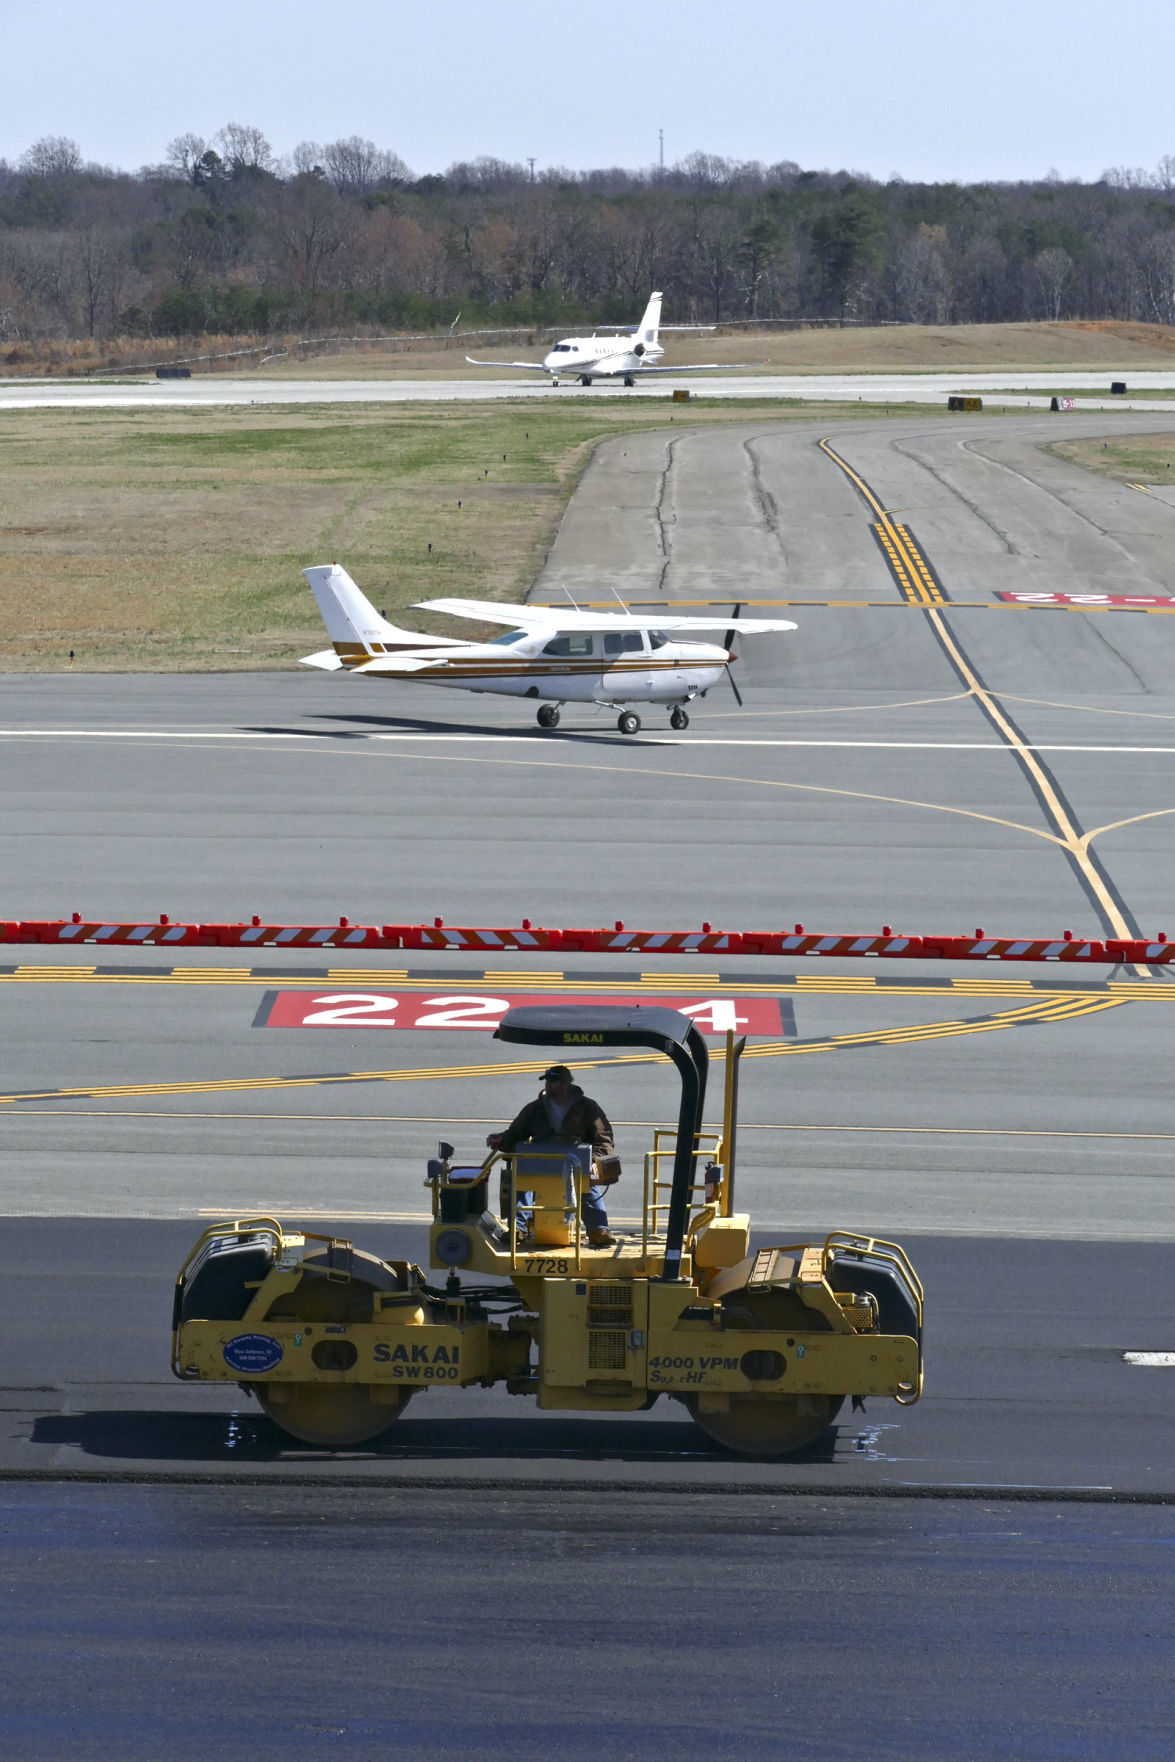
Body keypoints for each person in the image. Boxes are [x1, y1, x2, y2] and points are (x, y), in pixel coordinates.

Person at [489, 1065, 617, 1246]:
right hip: (540, 1162)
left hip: (575, 1162)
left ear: (566, 1084)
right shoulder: (535, 1108)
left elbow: (604, 1140)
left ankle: (598, 1230)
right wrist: (500, 1140)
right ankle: (518, 1229)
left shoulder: (587, 1108)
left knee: (587, 1182)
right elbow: (515, 1134)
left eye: (554, 1082)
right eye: (547, 1082)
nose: (549, 1086)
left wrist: (594, 1160)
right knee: (522, 1179)